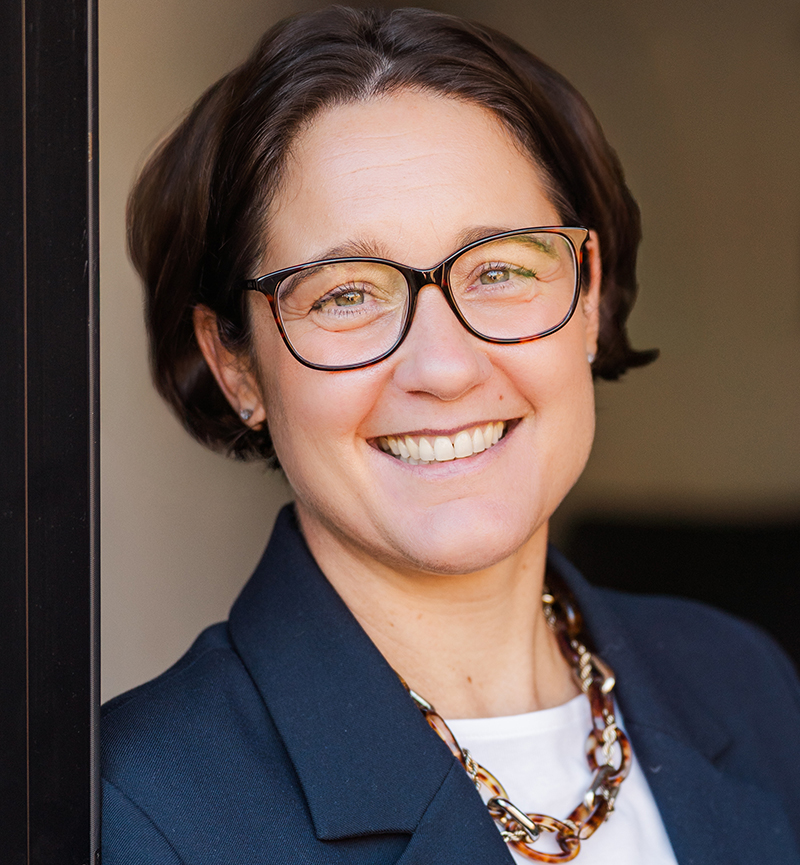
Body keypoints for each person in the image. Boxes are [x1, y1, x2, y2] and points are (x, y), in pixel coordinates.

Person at [101, 7, 800, 864]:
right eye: (345, 294)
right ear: (235, 365)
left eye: (500, 269)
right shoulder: (138, 809)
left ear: (588, 301)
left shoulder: (744, 682)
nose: (445, 366)